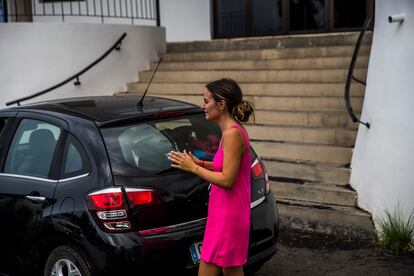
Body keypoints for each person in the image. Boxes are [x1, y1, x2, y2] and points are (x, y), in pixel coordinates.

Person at [168, 78, 254, 276]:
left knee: (222, 268)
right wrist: (198, 163)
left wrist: (193, 168)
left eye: (206, 101)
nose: (203, 106)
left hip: (228, 217)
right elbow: (223, 166)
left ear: (221, 105)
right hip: (222, 214)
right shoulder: (229, 131)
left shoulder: (233, 134)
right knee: (218, 268)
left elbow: (227, 179)